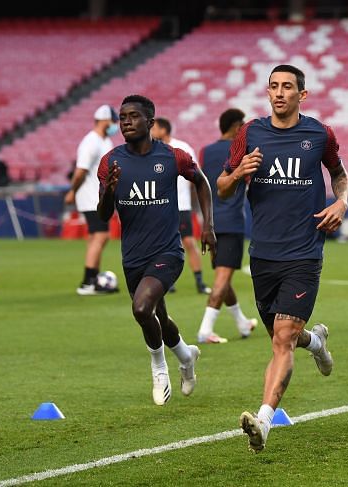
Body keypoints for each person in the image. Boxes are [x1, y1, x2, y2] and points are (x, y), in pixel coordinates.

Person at [218, 65, 347, 452]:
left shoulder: (319, 133)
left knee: (281, 340)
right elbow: (223, 187)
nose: (279, 93)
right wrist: (239, 171)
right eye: (273, 86)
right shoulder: (250, 133)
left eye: (287, 87)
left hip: (304, 252)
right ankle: (317, 342)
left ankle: (264, 420)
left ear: (301, 95)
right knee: (284, 337)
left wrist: (341, 201)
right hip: (263, 256)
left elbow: (339, 174)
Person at [97, 94, 216, 406]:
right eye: (122, 117)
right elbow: (103, 214)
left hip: (167, 252)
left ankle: (159, 367)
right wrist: (108, 191)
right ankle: (187, 357)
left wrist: (207, 225)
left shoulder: (173, 157)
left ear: (150, 122)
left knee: (140, 309)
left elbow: (202, 182)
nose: (126, 122)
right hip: (132, 256)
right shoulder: (111, 161)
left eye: (133, 116)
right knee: (158, 317)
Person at [196, 108, 258, 344]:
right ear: (234, 127)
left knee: (223, 275)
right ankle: (205, 330)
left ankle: (242, 322)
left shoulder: (205, 151)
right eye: (242, 126)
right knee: (222, 279)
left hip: (210, 223)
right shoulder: (240, 151)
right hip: (232, 222)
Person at [151, 117, 212, 294]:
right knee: (162, 245)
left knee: (188, 242)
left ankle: (199, 281)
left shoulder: (182, 148)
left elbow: (196, 176)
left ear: (163, 130)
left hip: (181, 206)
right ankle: (167, 282)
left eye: (154, 128)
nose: (152, 132)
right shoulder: (153, 150)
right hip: (161, 206)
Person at [65, 104, 119, 295]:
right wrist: (73, 191)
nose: (116, 125)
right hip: (90, 197)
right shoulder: (91, 142)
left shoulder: (104, 141)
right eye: (113, 120)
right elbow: (81, 171)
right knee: (101, 236)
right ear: (104, 120)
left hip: (99, 196)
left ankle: (93, 278)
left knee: (95, 237)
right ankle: (88, 282)